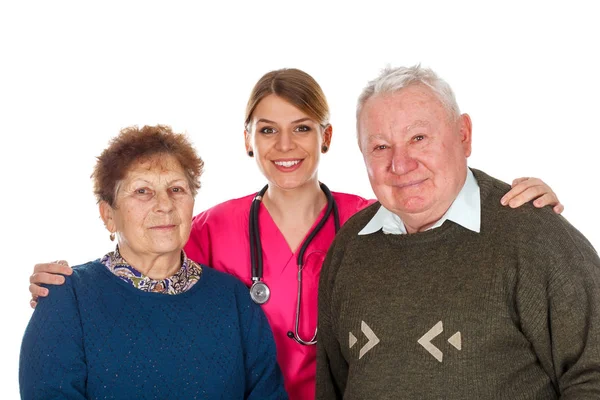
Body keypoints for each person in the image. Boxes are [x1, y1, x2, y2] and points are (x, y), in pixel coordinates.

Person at [26, 69, 564, 400]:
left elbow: (442, 218)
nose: (285, 145)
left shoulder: (371, 221)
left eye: (302, 127)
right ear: (248, 140)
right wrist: (65, 291)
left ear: (326, 136)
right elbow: (147, 268)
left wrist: (516, 204)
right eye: (267, 130)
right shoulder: (212, 226)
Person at [316, 65, 600, 399]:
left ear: (463, 134)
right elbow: (333, 387)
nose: (401, 164)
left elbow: (592, 375)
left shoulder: (534, 236)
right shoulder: (349, 247)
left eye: (418, 138)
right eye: (380, 147)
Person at [19, 125, 287, 400]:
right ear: (108, 214)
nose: (165, 205)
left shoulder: (234, 299)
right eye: (142, 191)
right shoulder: (67, 298)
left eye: (176, 189)